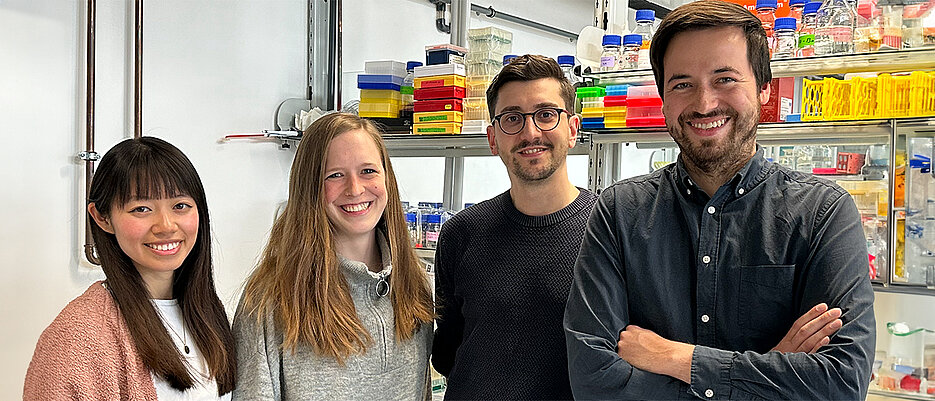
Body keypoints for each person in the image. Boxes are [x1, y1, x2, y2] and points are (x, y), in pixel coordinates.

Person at [563, 1, 876, 400]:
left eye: (725, 79)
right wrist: (772, 366)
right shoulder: (619, 212)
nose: (704, 103)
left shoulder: (822, 212)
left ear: (764, 88)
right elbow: (593, 381)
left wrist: (678, 359)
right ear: (663, 99)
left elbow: (841, 384)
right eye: (682, 84)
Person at [232, 112, 434, 399]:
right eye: (335, 175)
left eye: (368, 171)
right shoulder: (270, 300)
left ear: (387, 178)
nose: (355, 189)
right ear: (309, 188)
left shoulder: (413, 284)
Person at [432, 54, 598, 400]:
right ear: (493, 139)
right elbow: (447, 353)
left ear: (572, 130)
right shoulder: (461, 234)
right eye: (512, 118)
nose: (530, 132)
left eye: (546, 114)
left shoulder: (608, 231)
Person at [24, 137, 236, 399]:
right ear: (102, 218)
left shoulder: (207, 313)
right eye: (141, 209)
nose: (166, 225)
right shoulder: (76, 337)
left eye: (180, 206)